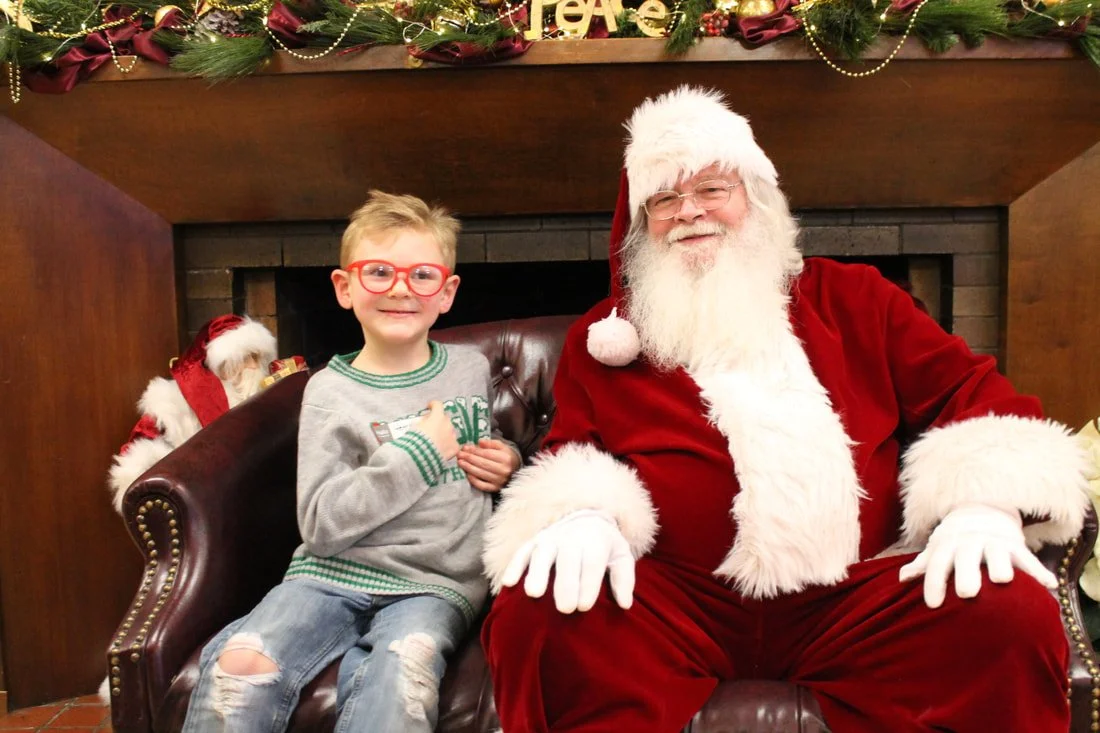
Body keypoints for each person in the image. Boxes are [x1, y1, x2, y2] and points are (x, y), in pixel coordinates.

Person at [480, 86, 1092, 733]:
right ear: (640, 226)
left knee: (1009, 611)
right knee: (536, 609)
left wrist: (981, 505)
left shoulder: (859, 300)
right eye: (664, 199)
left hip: (856, 602)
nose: (689, 212)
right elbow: (571, 450)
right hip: (678, 605)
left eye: (712, 189)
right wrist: (581, 514)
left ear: (756, 199)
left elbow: (972, 392)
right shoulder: (605, 341)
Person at [182, 190, 521, 732]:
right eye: (379, 272)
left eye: (422, 276)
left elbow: (486, 449)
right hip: (328, 576)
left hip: (434, 583)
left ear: (447, 292)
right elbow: (320, 525)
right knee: (241, 668)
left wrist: (508, 460)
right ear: (345, 287)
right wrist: (417, 453)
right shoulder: (329, 391)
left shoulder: (469, 370)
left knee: (400, 677)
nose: (401, 290)